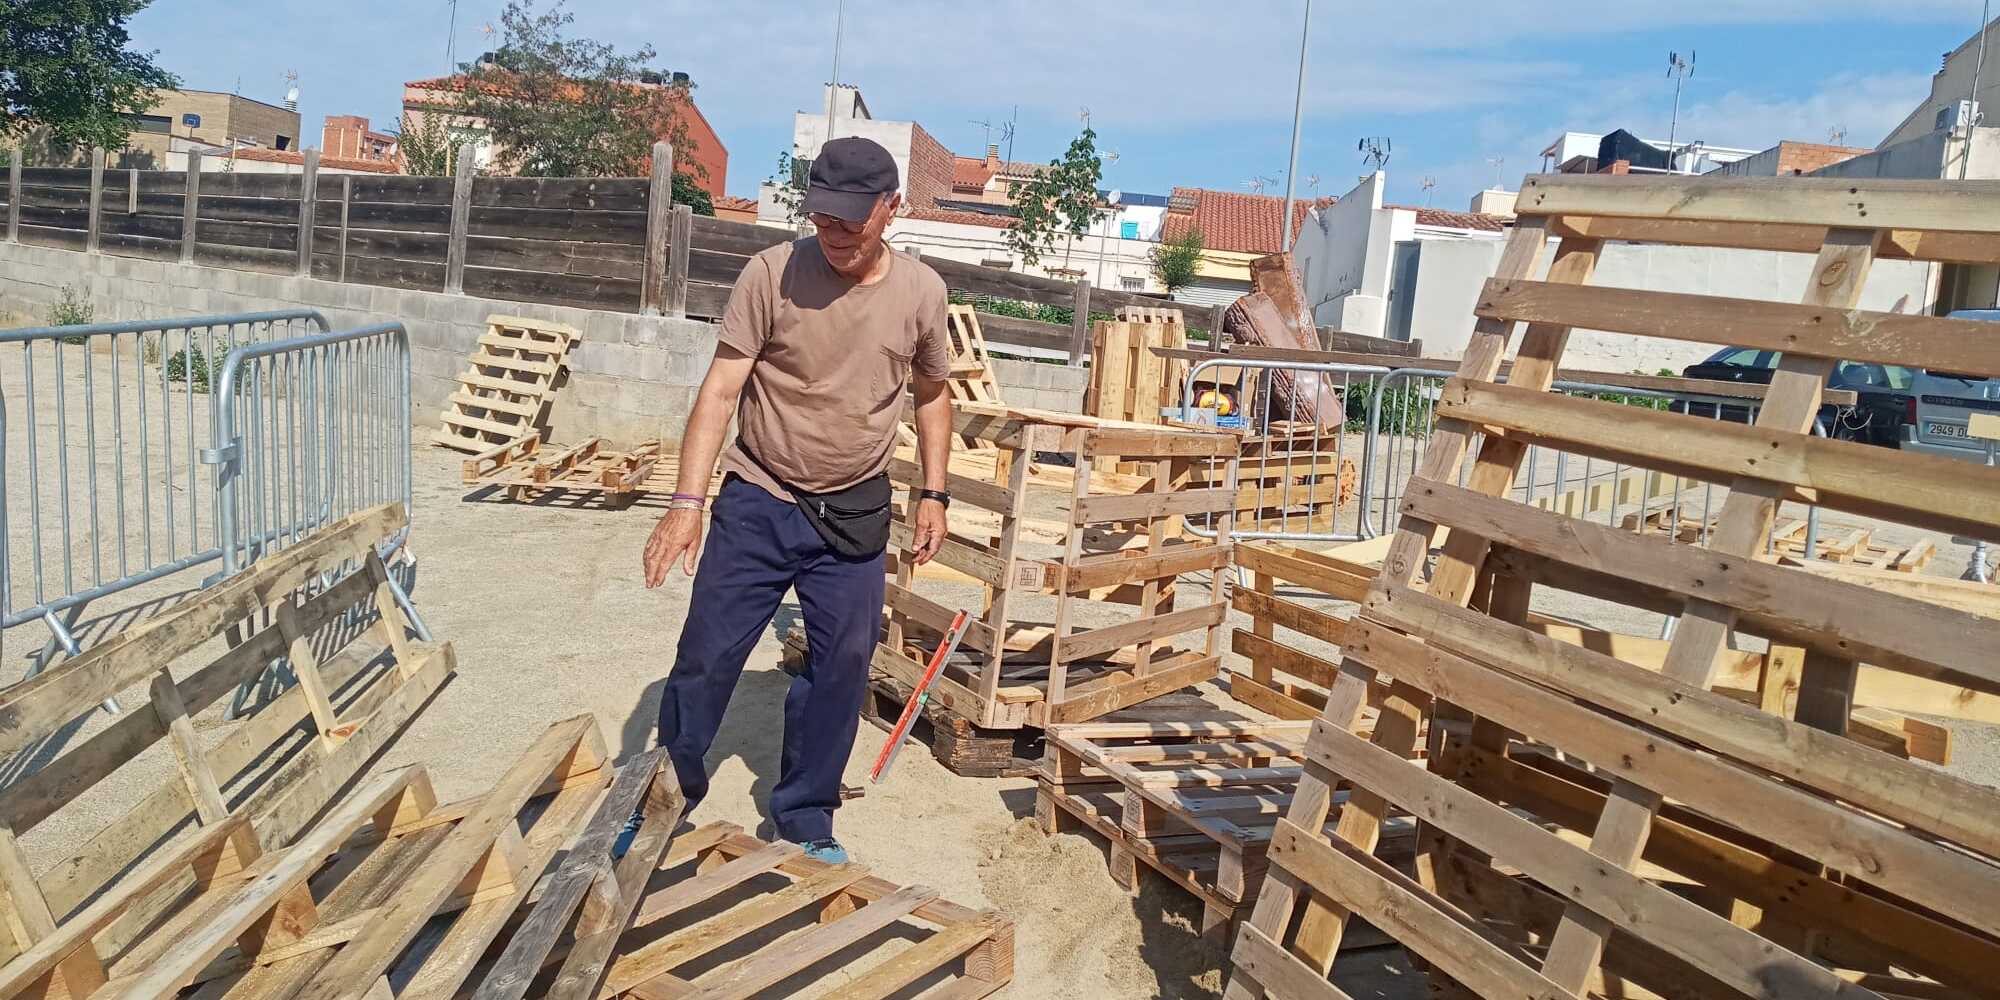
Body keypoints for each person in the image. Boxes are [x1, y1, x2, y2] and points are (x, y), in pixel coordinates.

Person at [633, 137, 955, 863]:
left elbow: (934, 394)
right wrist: (687, 502)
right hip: (759, 498)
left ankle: (807, 813)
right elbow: (720, 390)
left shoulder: (921, 294)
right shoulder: (768, 274)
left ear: (891, 210)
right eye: (822, 218)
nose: (834, 235)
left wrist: (934, 492)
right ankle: (661, 797)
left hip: (852, 511)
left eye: (852, 220)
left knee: (841, 667)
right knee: (708, 653)